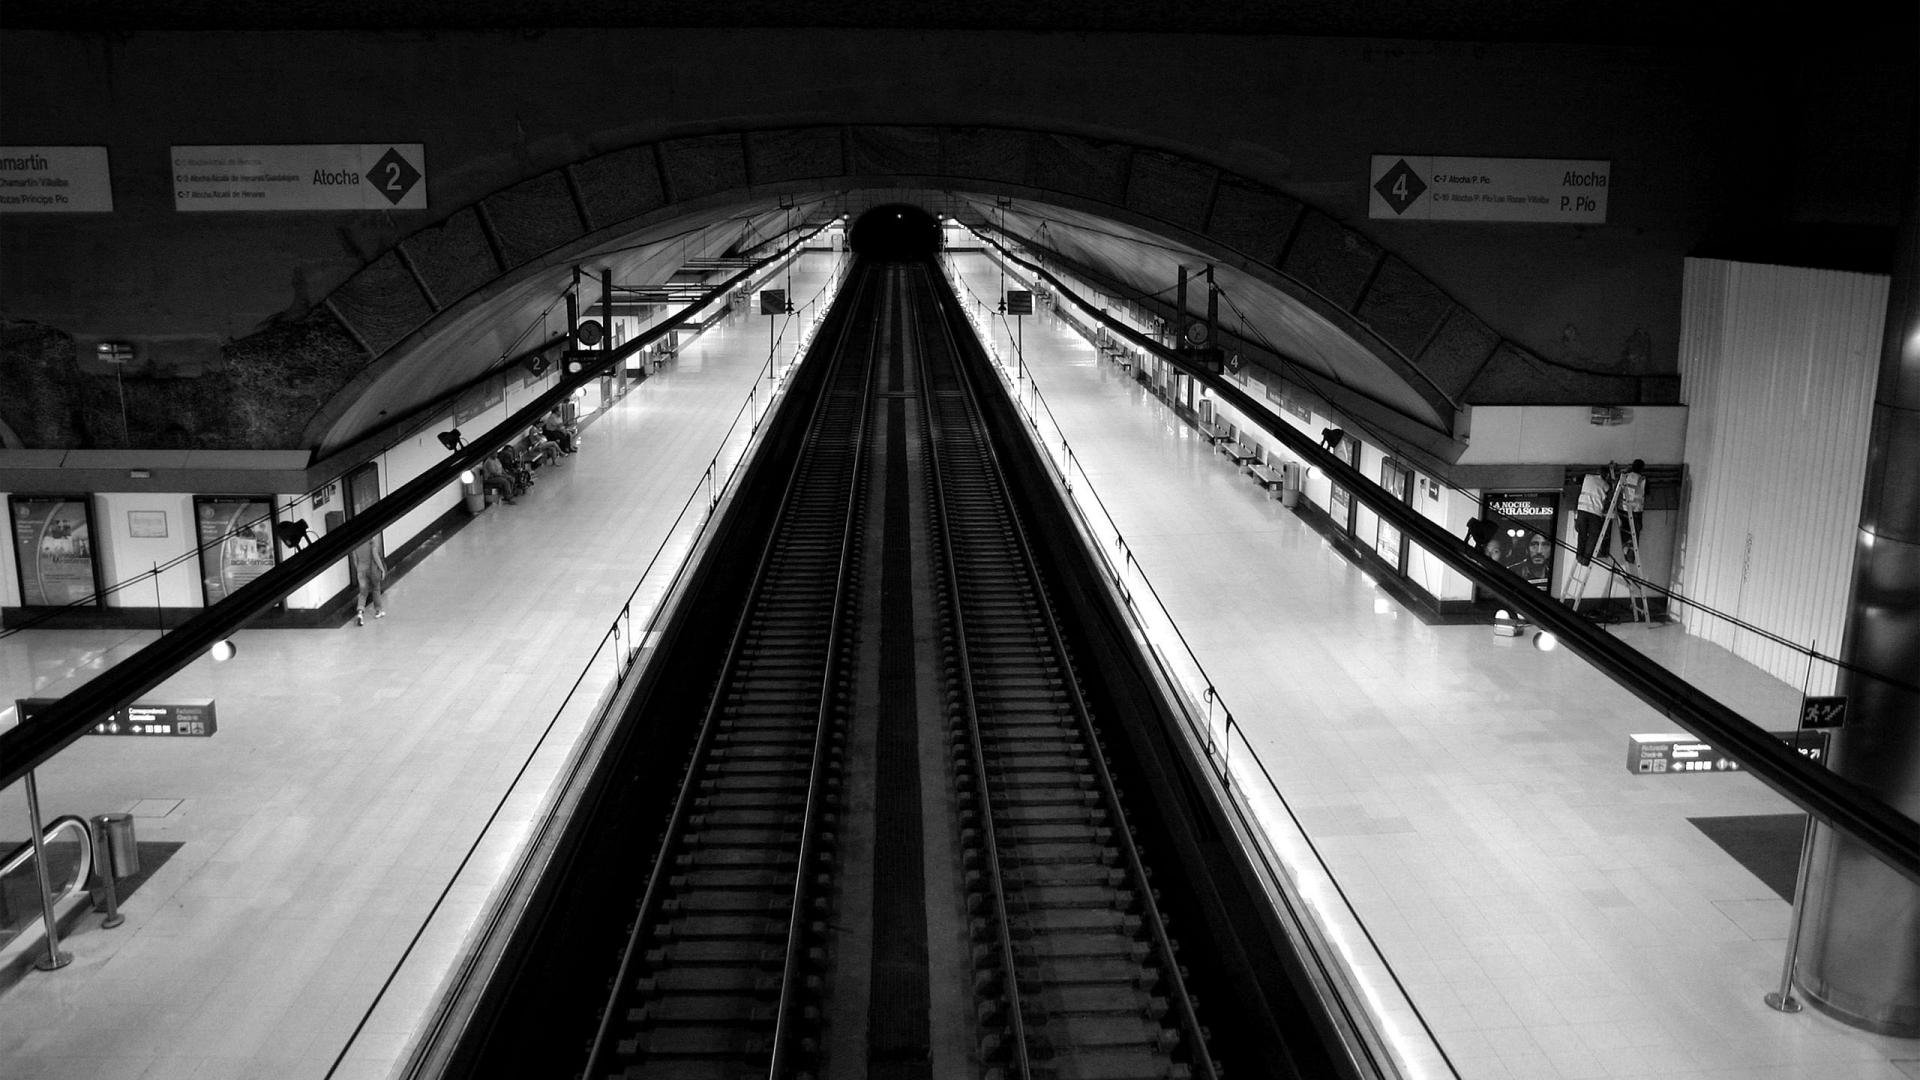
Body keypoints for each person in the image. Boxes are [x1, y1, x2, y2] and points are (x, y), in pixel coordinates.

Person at [1573, 468, 1612, 565]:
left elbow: (1574, 479)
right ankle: (1586, 559)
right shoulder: (1606, 485)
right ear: (1606, 476)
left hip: (1582, 511)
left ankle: (1579, 556)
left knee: (1582, 535)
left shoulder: (1587, 477)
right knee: (1593, 537)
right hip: (1595, 514)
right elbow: (1610, 497)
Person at [1615, 459, 1647, 561]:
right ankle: (1631, 557)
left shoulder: (1625, 476)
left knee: (1625, 531)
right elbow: (1647, 491)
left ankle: (1625, 553)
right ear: (1641, 469)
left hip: (1623, 509)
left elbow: (1618, 489)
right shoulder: (1642, 479)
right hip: (1636, 510)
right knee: (1635, 534)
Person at [350, 540, 387, 625]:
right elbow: (375, 556)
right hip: (372, 570)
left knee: (363, 593)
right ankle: (378, 611)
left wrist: (359, 569)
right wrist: (382, 569)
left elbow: (355, 560)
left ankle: (360, 613)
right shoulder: (371, 541)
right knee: (376, 589)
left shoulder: (355, 544)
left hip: (361, 570)